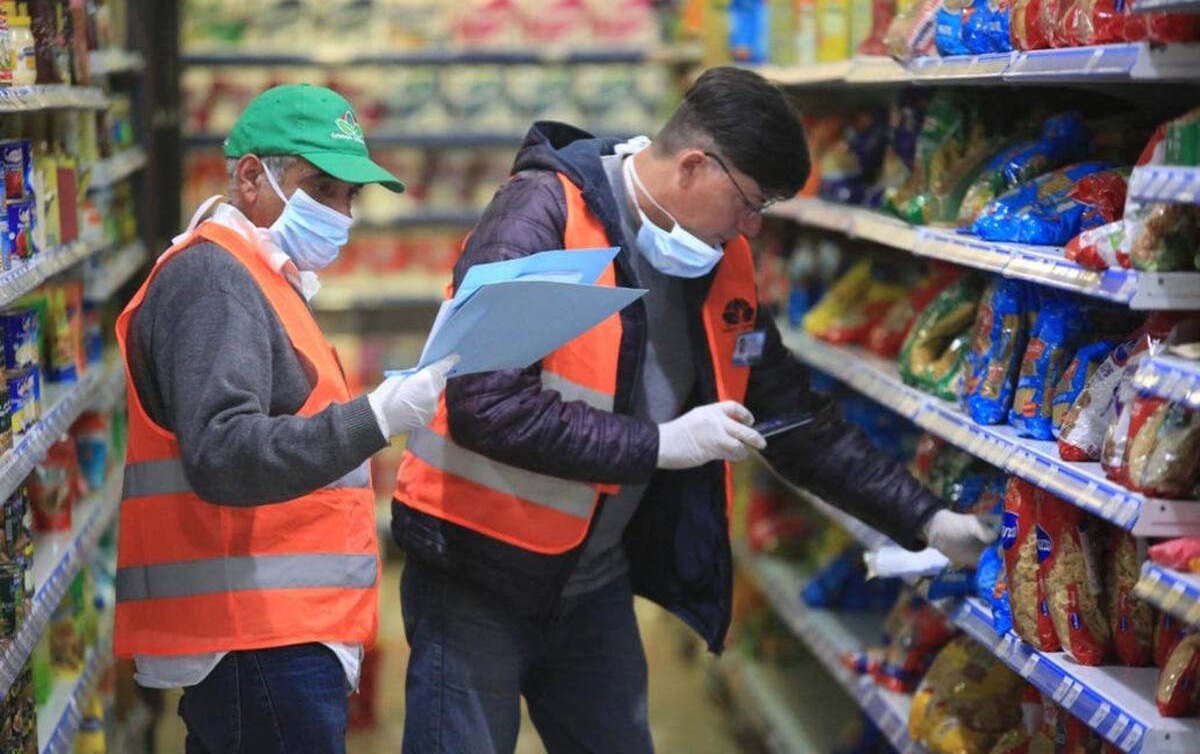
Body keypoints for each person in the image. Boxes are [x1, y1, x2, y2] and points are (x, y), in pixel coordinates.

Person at [390, 66, 994, 753]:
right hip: (476, 571)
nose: (753, 227)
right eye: (750, 202)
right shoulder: (541, 217)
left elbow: (792, 419)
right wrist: (658, 444)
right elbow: (484, 403)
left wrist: (927, 519)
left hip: (590, 580)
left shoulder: (717, 260)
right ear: (694, 166)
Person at [113, 84, 455, 754]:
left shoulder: (263, 276)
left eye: (348, 196)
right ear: (250, 177)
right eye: (321, 188)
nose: (340, 212)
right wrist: (376, 416)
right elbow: (224, 452)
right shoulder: (216, 282)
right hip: (256, 638)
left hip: (275, 635)